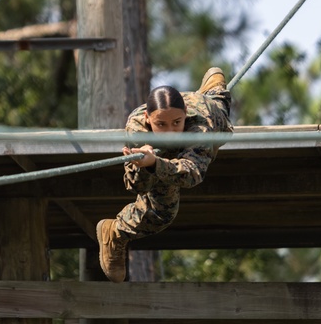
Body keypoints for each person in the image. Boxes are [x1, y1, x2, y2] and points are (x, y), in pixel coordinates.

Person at [96, 67, 233, 282]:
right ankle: (114, 232)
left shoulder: (201, 125)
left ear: (185, 114)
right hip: (156, 154)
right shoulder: (137, 129)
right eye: (161, 124)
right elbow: (138, 188)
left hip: (204, 117)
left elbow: (192, 174)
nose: (170, 130)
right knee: (163, 211)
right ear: (148, 119)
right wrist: (144, 165)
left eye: (176, 123)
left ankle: (212, 89)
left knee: (220, 107)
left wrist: (156, 165)